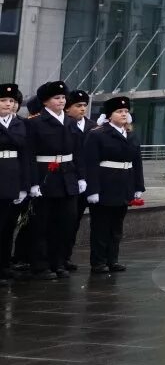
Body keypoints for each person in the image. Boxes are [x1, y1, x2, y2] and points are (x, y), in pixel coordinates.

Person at [25, 80, 85, 277]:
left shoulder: (70, 122)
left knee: (65, 222)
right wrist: (33, 182)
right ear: (45, 102)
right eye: (56, 98)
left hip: (67, 176)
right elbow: (29, 155)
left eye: (63, 97)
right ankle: (40, 265)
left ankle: (58, 262)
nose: (61, 101)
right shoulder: (35, 123)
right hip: (45, 176)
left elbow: (78, 152)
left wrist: (81, 177)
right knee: (42, 224)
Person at [83, 96, 144, 274]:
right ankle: (98, 261)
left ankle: (112, 259)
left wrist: (138, 186)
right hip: (105, 184)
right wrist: (92, 190)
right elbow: (91, 163)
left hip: (124, 184)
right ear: (109, 115)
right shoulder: (97, 134)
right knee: (101, 226)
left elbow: (137, 162)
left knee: (116, 226)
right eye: (119, 111)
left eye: (126, 111)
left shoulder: (131, 135)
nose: (124, 114)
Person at [0, 82, 28, 282]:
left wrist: (24, 186)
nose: (8, 104)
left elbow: (24, 153)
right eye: (3, 100)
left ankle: (3, 265)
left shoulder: (19, 123)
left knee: (8, 225)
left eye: (12, 101)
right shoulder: (17, 125)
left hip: (12, 176)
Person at [62, 89, 91, 269]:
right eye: (78, 106)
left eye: (84, 106)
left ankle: (66, 256)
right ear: (67, 108)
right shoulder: (64, 125)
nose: (82, 109)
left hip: (84, 181)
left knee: (75, 221)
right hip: (66, 178)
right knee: (63, 220)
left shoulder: (93, 126)